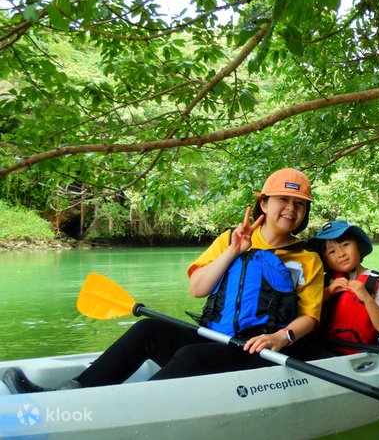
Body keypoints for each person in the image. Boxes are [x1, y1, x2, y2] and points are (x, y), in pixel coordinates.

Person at [2, 168, 325, 394]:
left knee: (191, 357)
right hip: (216, 335)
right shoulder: (230, 238)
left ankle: (127, 407)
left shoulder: (307, 259)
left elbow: (309, 317)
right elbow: (198, 289)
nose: (291, 209)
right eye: (283, 200)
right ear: (264, 203)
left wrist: (280, 337)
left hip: (257, 348)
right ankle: (72, 391)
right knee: (149, 330)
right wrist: (233, 250)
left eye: (299, 204)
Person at [309, 220, 379, 354]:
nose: (341, 254)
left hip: (358, 355)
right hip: (323, 350)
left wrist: (367, 299)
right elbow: (307, 310)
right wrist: (328, 291)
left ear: (359, 246)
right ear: (324, 260)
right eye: (332, 252)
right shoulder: (323, 282)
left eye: (345, 244)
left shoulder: (373, 280)